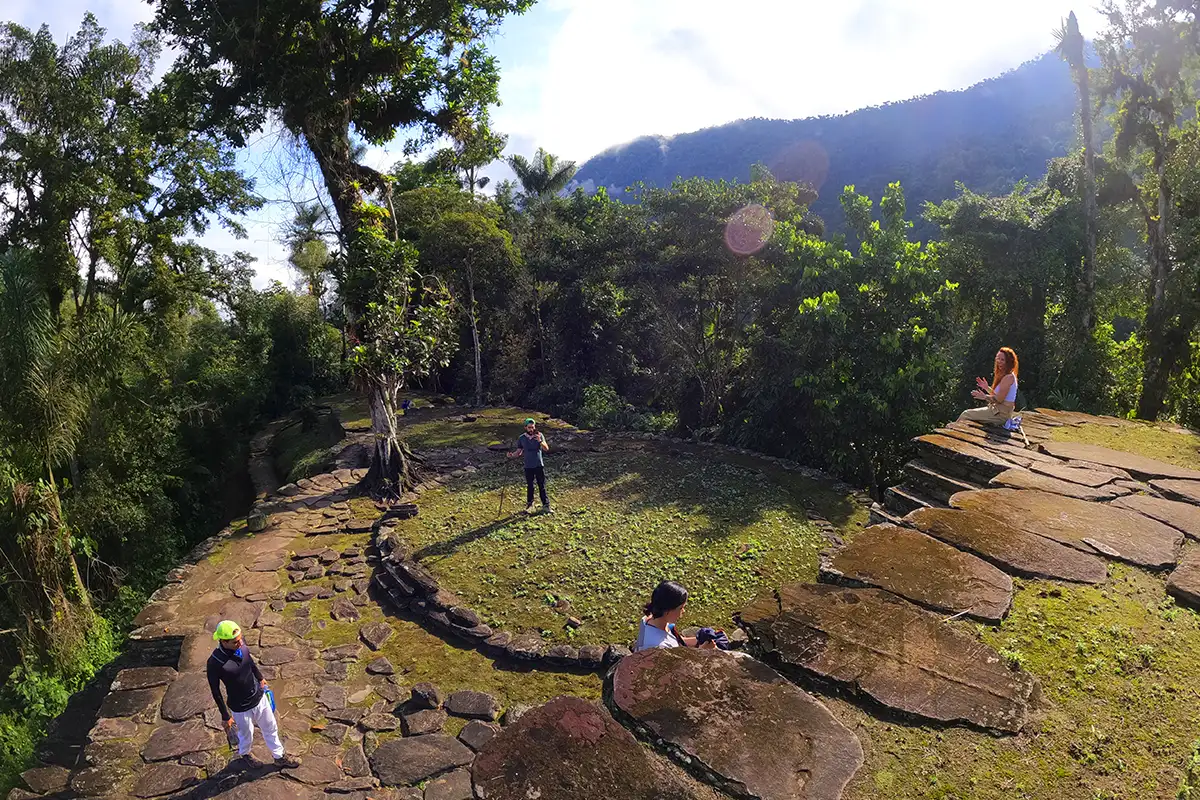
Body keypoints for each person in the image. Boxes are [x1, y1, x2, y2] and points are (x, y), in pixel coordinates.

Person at [207, 620, 301, 769]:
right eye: (235, 642)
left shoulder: (242, 646)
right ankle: (245, 754)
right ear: (223, 641)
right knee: (246, 734)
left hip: (258, 697)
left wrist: (260, 678)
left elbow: (250, 663)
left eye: (240, 640)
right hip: (240, 707)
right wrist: (225, 716)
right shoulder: (215, 662)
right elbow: (215, 690)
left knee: (271, 727)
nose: (240, 643)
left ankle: (279, 756)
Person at [634, 581, 719, 651]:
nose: (683, 611)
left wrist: (700, 640)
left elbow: (676, 641)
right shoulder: (658, 647)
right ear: (668, 610)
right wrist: (702, 650)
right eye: (681, 608)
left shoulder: (651, 620)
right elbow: (679, 669)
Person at [959, 347, 1019, 425]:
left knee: (966, 414)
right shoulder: (1005, 376)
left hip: (1000, 415)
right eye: (998, 359)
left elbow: (999, 400)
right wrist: (986, 388)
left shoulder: (1009, 377)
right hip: (996, 411)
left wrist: (984, 397)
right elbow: (999, 396)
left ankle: (950, 431)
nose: (999, 362)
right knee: (969, 415)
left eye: (1002, 360)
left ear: (1009, 362)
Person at [508, 417, 551, 514]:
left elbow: (546, 448)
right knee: (530, 486)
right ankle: (530, 505)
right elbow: (519, 452)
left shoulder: (540, 435)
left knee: (542, 485)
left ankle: (546, 505)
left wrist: (540, 441)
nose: (531, 429)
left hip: (539, 464)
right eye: (529, 427)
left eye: (532, 427)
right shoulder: (522, 438)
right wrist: (511, 455)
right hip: (528, 466)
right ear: (525, 428)